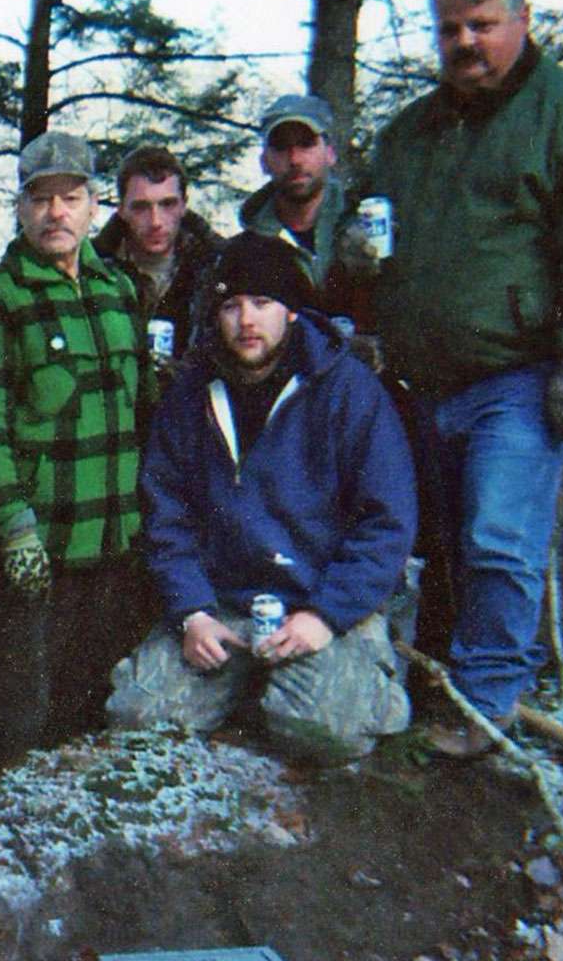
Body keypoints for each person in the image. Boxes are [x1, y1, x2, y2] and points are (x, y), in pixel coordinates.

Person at [359, 0, 563, 755]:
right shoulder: (413, 133)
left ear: (521, 20)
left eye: (481, 24)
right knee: (433, 547)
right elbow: (371, 230)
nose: (464, 41)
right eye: (450, 28)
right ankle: (435, 686)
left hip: (521, 379)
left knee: (500, 539)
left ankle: (486, 708)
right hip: (421, 383)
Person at [107, 233, 416, 764]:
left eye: (262, 303)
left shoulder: (346, 389)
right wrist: (193, 613)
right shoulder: (190, 394)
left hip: (316, 601)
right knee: (138, 716)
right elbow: (166, 517)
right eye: (230, 306)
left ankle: (366, 674)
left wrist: (325, 615)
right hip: (226, 605)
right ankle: (246, 688)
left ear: (291, 313)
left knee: (327, 730)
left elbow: (387, 523)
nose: (246, 320)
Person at [0, 132, 153, 776]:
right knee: (19, 712)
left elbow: (139, 414)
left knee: (91, 710)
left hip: (112, 548)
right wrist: (14, 530)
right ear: (20, 208)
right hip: (34, 553)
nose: (56, 213)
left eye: (70, 197)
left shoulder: (118, 289)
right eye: (40, 199)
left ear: (95, 205)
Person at [92, 144, 225, 364]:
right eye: (141, 207)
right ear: (122, 209)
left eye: (167, 204)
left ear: (184, 205)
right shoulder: (90, 272)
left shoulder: (220, 270)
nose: (155, 221)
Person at [239, 93, 358, 319]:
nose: (294, 159)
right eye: (281, 147)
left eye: (306, 144)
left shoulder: (366, 224)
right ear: (264, 162)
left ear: (330, 154)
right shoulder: (247, 251)